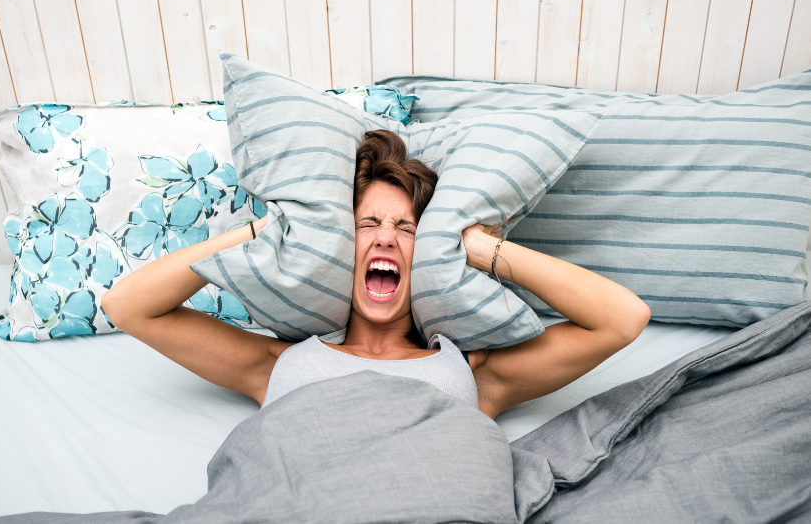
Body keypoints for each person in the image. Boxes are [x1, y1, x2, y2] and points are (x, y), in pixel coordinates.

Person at [102, 130, 650, 419]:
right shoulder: (275, 364)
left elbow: (623, 319)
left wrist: (477, 248)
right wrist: (268, 232)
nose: (386, 237)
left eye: (406, 230)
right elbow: (127, 306)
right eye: (367, 224)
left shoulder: (477, 375)